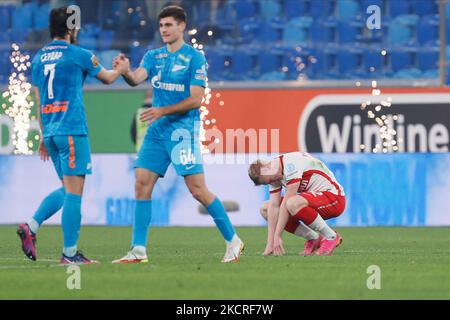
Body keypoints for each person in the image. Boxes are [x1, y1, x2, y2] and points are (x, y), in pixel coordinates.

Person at [112, 5, 244, 264]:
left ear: (181, 26)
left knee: (197, 190)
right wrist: (126, 71)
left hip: (182, 131)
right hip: (157, 132)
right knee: (141, 184)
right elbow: (137, 78)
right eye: (161, 26)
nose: (164, 30)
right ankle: (138, 250)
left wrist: (162, 110)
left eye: (169, 25)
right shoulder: (153, 56)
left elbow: (196, 100)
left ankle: (233, 240)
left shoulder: (195, 58)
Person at [17, 6, 128, 264]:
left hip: (52, 132)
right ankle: (69, 254)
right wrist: (121, 69)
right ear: (69, 28)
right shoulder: (79, 54)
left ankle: (31, 226)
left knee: (68, 190)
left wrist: (44, 135)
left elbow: (38, 97)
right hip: (72, 130)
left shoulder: (38, 58)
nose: (77, 31)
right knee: (75, 192)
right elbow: (108, 78)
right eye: (75, 26)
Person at [248, 152, 346, 256]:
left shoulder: (291, 165)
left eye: (270, 180)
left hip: (334, 199)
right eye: (268, 182)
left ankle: (331, 236)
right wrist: (270, 243)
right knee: (265, 208)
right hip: (316, 201)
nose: (273, 182)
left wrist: (278, 236)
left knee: (291, 203)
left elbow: (286, 204)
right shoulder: (272, 172)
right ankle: (313, 238)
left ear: (267, 167)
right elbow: (274, 206)